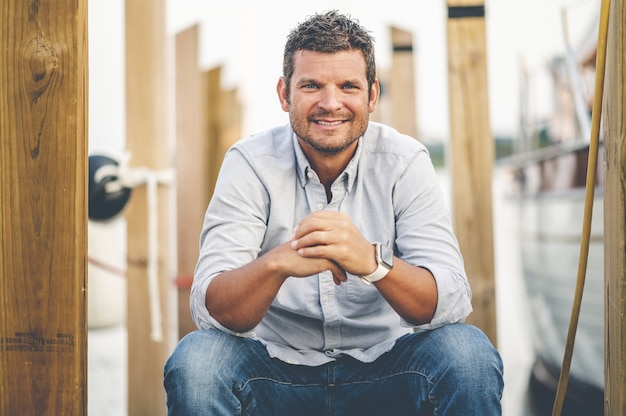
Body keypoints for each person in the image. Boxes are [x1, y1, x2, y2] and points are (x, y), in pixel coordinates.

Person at [164, 10, 503, 415]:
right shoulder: (249, 162)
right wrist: (277, 264)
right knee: (197, 361)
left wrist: (372, 262)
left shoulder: (405, 161)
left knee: (468, 355)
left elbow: (447, 301)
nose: (330, 103)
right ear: (284, 94)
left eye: (348, 86)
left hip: (388, 371)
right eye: (311, 85)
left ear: (372, 96)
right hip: (274, 375)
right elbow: (211, 310)